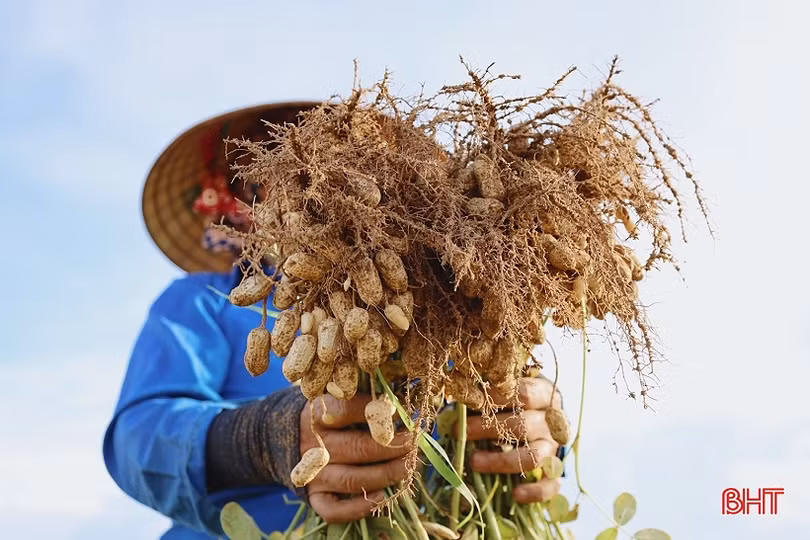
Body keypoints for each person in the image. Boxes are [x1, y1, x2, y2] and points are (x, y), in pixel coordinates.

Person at [103, 102, 566, 539]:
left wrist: (538, 434)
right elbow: (137, 441)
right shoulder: (205, 299)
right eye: (272, 173)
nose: (310, 185)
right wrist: (264, 439)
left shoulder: (437, 301)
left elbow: (496, 410)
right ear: (240, 199)